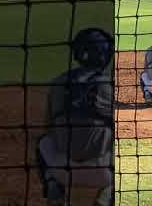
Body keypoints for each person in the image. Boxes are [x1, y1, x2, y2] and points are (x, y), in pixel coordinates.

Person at [36, 28, 114, 206]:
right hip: (104, 173)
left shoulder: (58, 82)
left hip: (62, 169)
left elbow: (48, 127)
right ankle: (105, 198)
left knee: (44, 141)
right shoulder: (109, 85)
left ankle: (53, 188)